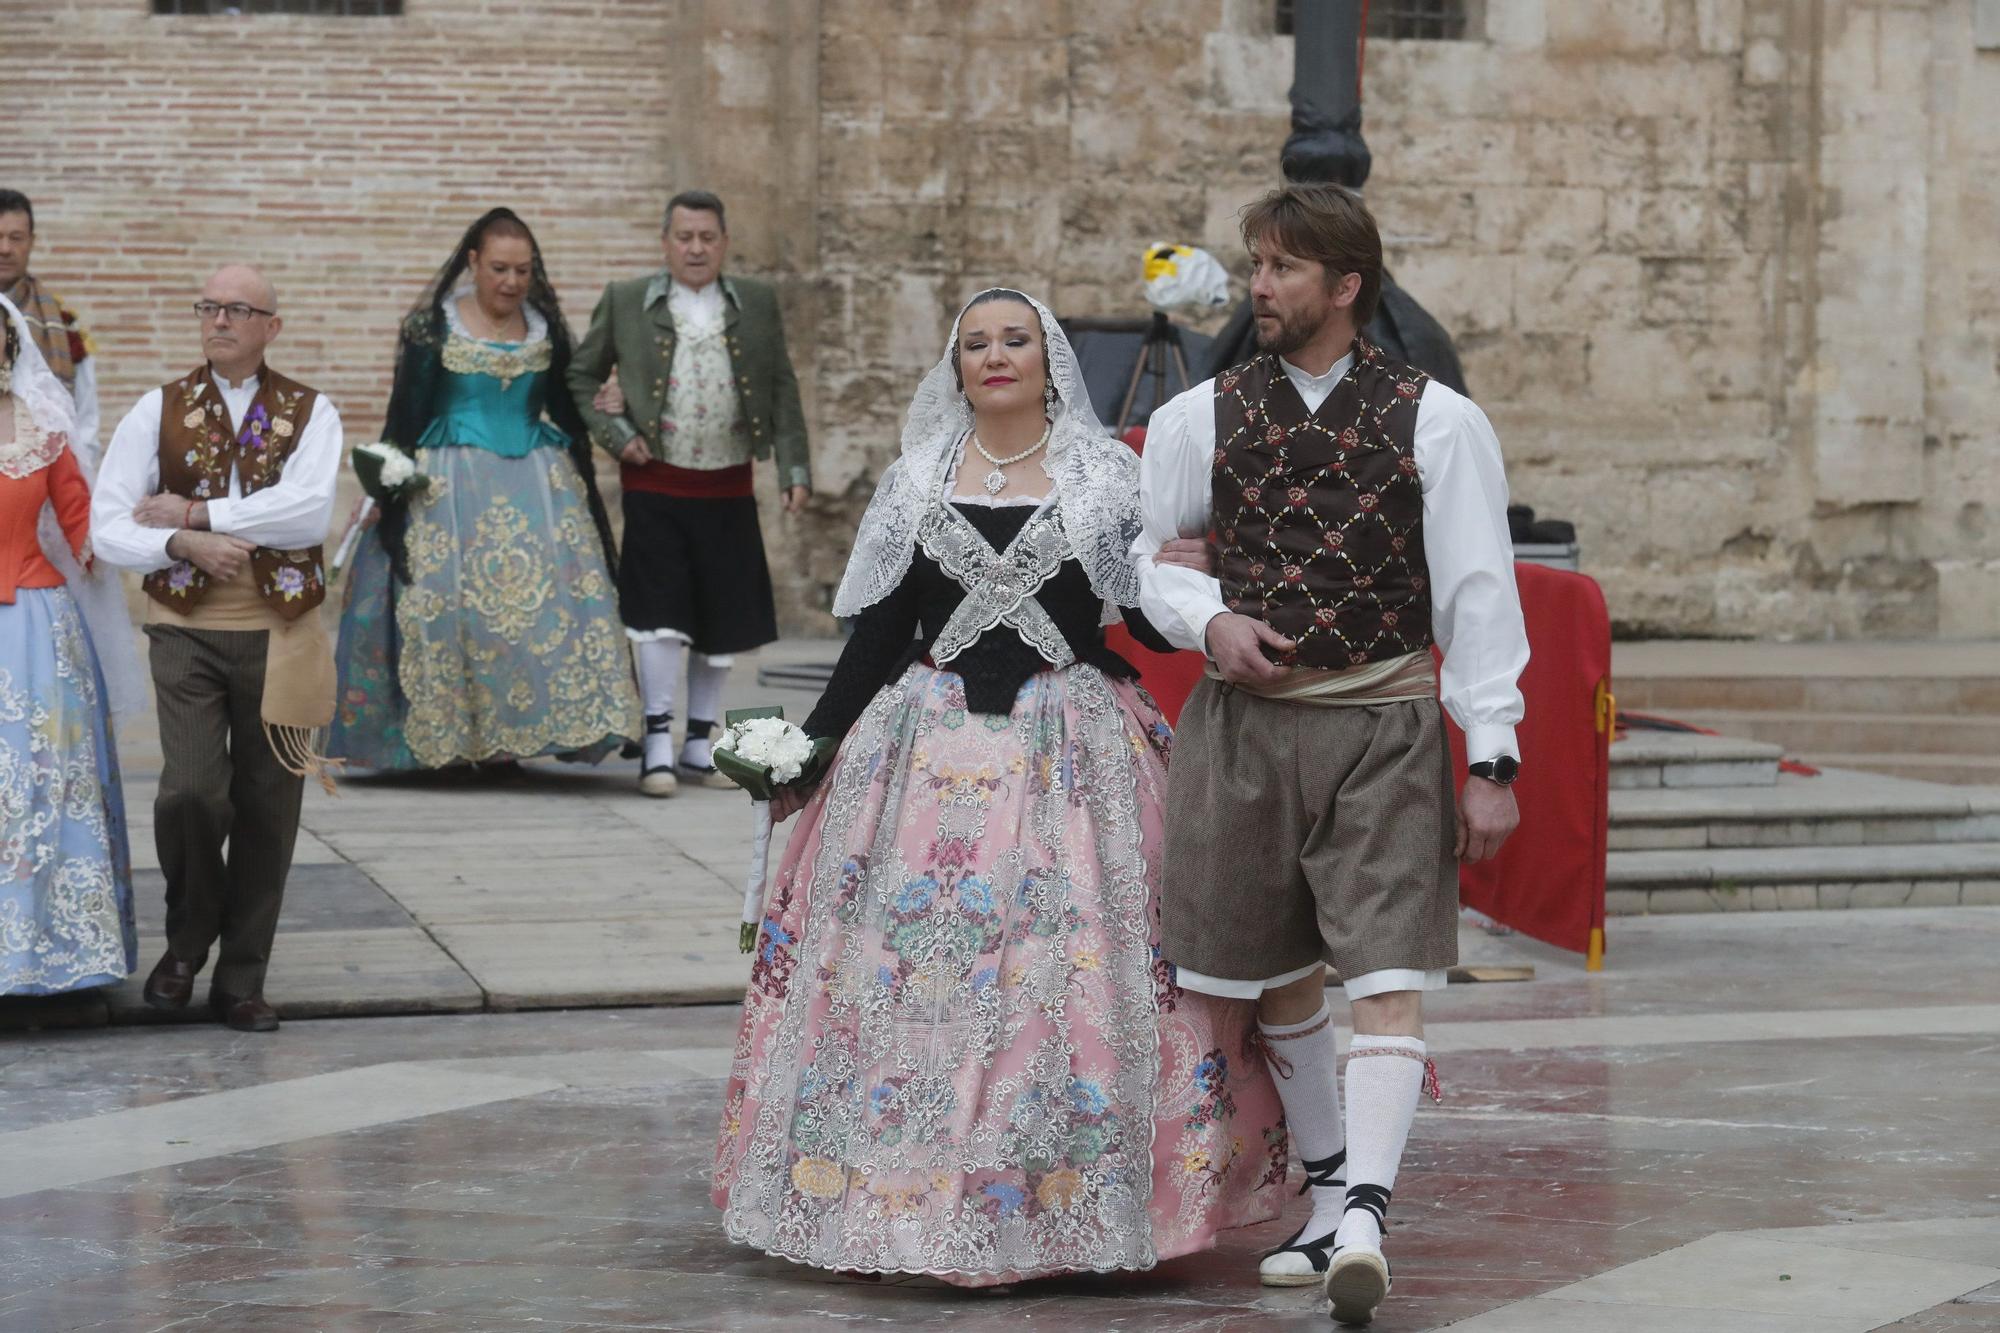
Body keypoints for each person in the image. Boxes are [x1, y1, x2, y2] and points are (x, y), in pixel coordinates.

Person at [711, 289, 1287, 1284]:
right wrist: (808, 747)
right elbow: (882, 633)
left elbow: (1138, 617)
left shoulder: (1104, 473)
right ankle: (897, 1198)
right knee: (914, 982)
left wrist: (1210, 592)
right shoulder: (917, 475)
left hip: (1069, 744)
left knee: (1058, 978)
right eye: (974, 343)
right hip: (923, 749)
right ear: (956, 364)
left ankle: (1057, 1198)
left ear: (1047, 357)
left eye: (1012, 339)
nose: (993, 356)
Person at [1134, 182, 1528, 1324]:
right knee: (1271, 973)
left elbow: (1476, 595)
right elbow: (1139, 555)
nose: (1257, 285)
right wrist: (1202, 617)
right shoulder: (1196, 417)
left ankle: (1365, 1209)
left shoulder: (1438, 420)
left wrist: (1490, 756)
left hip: (1383, 725)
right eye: (1253, 263)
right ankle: (1324, 1196)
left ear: (1344, 286)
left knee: (1388, 971)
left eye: (1282, 268)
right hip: (1244, 729)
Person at [92, 264, 343, 1034]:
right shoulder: (156, 408)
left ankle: (241, 978)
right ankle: (187, 939)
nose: (221, 319)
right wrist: (179, 542)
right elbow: (109, 524)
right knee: (192, 792)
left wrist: (197, 510)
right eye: (210, 307)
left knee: (270, 808)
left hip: (283, 632)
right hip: (187, 630)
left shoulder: (311, 409)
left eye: (239, 309)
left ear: (272, 324)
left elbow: (308, 512)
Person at [328, 209, 638, 774]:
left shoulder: (544, 327)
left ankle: (510, 740)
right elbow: (404, 414)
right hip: (447, 488)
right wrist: (381, 484)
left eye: (522, 270)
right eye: (499, 268)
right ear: (472, 262)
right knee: (448, 612)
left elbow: (570, 405)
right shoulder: (431, 328)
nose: (512, 282)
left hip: (538, 486)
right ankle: (448, 741)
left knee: (538, 615)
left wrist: (613, 408)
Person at [566, 190, 811, 798]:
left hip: (728, 481)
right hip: (656, 481)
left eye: (707, 237)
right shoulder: (627, 300)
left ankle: (701, 744)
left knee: (723, 618)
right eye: (684, 237)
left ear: (724, 243)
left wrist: (793, 468)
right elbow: (580, 375)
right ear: (665, 243)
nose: (696, 248)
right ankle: (655, 743)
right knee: (659, 620)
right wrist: (616, 436)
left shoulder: (754, 302)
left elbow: (780, 382)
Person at [0, 294, 137, 996]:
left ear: (9, 349)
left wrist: (128, 545)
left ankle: (47, 955)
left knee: (44, 784)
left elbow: (80, 518)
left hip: (38, 627)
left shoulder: (45, 431)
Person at [0, 189, 100, 456]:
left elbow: (84, 422)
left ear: (31, 242)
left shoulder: (63, 326)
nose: (5, 248)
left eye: (16, 238)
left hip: (41, 478)